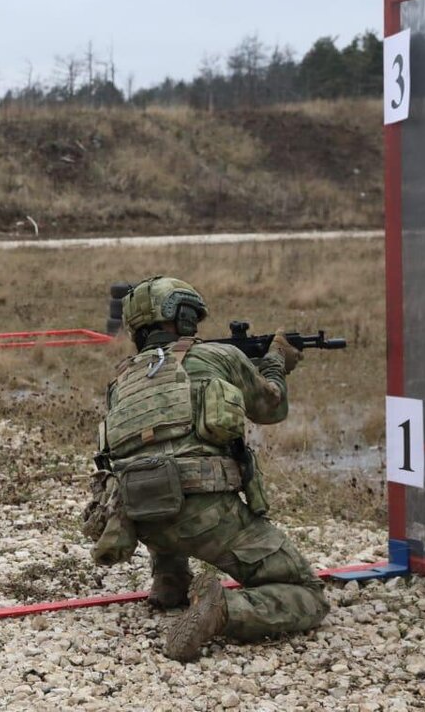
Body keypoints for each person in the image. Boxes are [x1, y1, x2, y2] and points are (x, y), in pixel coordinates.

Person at [84, 276, 329, 662]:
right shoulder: (219, 357)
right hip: (206, 515)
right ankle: (224, 610)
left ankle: (169, 583)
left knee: (156, 466)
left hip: (141, 519)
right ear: (183, 318)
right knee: (306, 592)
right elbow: (271, 408)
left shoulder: (121, 380)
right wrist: (276, 363)